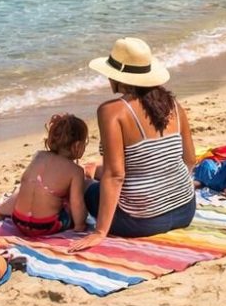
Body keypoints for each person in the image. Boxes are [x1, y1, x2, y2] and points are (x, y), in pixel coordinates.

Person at [71, 38, 195, 249]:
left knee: (83, 183)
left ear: (120, 77)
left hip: (140, 221)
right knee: (96, 169)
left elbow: (116, 176)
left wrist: (100, 231)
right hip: (185, 209)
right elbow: (190, 159)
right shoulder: (173, 104)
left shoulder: (112, 111)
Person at [0, 114, 89, 237]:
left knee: (25, 188)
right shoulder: (76, 171)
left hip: (18, 220)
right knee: (71, 200)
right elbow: (77, 203)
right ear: (77, 146)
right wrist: (80, 225)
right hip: (47, 225)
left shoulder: (39, 156)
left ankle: (0, 211)